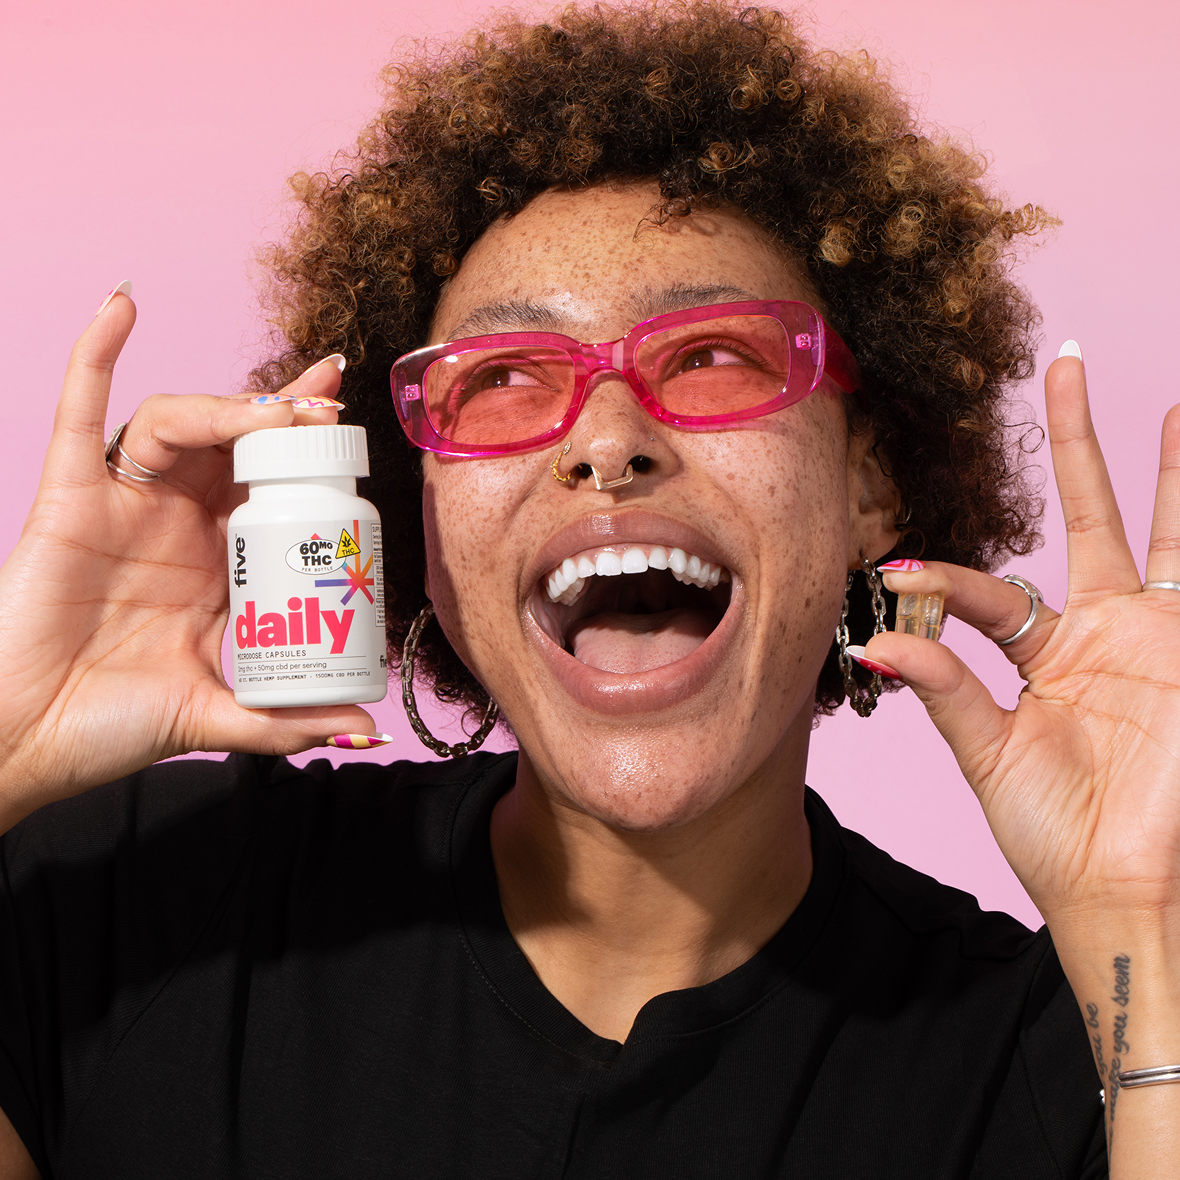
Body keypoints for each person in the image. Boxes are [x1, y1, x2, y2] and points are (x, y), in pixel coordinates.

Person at [0, 2, 1177, 1175]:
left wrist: (1152, 927)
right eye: (503, 376)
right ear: (415, 508)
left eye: (713, 354)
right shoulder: (133, 909)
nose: (607, 439)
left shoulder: (1069, 1068)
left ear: (868, 482)